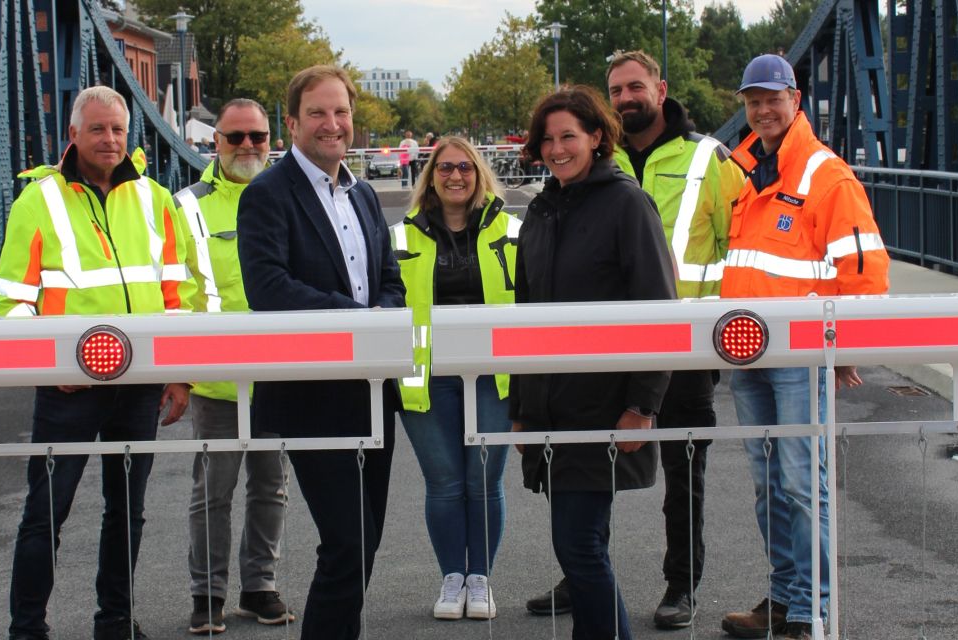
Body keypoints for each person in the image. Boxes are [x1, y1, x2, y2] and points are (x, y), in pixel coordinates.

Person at [0, 85, 199, 640]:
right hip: (69, 388)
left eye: (117, 129)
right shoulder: (38, 201)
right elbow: (13, 300)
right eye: (97, 129)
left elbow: (176, 294)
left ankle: (115, 622)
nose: (109, 140)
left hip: (139, 384)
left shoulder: (157, 199)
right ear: (73, 135)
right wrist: (46, 365)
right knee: (46, 513)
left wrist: (179, 373)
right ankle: (28, 628)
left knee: (127, 511)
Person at [719, 54, 889, 640]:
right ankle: (784, 596)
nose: (762, 110)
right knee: (770, 485)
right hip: (748, 354)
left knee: (799, 481)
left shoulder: (826, 175)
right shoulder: (743, 174)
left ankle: (810, 611)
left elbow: (866, 272)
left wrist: (845, 349)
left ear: (795, 99)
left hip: (798, 354)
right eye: (752, 101)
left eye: (773, 98)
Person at [236, 65, 405, 640]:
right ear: (291, 123)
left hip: (372, 395)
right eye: (318, 113)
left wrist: (381, 315)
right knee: (347, 543)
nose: (332, 124)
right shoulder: (266, 195)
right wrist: (362, 323)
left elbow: (391, 280)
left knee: (363, 546)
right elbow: (269, 289)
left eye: (341, 112)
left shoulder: (361, 194)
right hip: (310, 397)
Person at [512, 85, 676, 640]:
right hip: (550, 408)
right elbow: (524, 317)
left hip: (604, 406)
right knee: (584, 547)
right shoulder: (539, 208)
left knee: (578, 546)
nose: (558, 149)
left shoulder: (626, 203)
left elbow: (659, 308)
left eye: (569, 137)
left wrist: (642, 404)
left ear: (597, 138)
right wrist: (522, 407)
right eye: (549, 139)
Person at [610, 50, 742, 628]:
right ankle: (583, 574)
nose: (624, 99)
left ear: (660, 90)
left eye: (634, 87)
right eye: (614, 91)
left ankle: (681, 585)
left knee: (684, 468)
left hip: (687, 341)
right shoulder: (598, 154)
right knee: (588, 463)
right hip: (606, 341)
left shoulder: (710, 158)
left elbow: (741, 247)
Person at [174, 98, 294, 635]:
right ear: (214, 142)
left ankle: (258, 587)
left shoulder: (292, 199)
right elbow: (174, 294)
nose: (247, 147)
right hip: (215, 377)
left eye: (258, 137)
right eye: (235, 138)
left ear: (272, 140)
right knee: (212, 491)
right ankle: (207, 594)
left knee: (271, 486)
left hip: (277, 371)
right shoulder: (187, 207)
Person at [391, 136, 518, 620]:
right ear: (430, 175)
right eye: (444, 168)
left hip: (495, 374)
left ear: (479, 173)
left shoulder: (514, 231)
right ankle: (452, 577)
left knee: (484, 480)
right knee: (443, 482)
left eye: (465, 167)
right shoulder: (399, 236)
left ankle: (481, 577)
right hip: (425, 376)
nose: (455, 176)